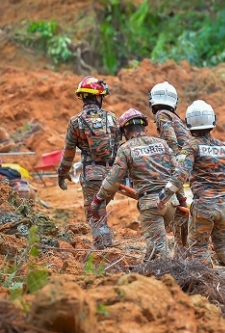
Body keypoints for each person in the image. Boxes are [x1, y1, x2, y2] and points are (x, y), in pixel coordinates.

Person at [158, 100, 225, 292]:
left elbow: (180, 174)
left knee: (199, 247)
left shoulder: (191, 146)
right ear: (212, 121)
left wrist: (164, 195)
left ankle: (211, 283)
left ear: (189, 123)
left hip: (203, 207)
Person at [90, 108, 178, 260]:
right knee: (153, 245)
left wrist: (98, 199)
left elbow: (113, 180)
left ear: (124, 131)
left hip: (152, 205)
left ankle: (172, 278)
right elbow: (178, 173)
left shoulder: (126, 149)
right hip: (171, 202)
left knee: (161, 250)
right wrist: (181, 200)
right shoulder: (162, 144)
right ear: (144, 127)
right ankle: (148, 268)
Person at [57, 76, 121, 249]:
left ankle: (104, 251)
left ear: (83, 97)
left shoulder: (75, 122)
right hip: (113, 176)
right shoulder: (113, 119)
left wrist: (62, 174)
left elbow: (68, 154)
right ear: (98, 97)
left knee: (95, 216)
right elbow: (119, 149)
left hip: (92, 177)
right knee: (101, 211)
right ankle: (106, 248)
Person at [149, 81, 191, 250]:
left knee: (179, 208)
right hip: (189, 163)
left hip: (180, 165)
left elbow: (170, 141)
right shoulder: (176, 117)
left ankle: (182, 252)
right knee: (183, 208)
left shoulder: (162, 115)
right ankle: (185, 249)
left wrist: (172, 166)